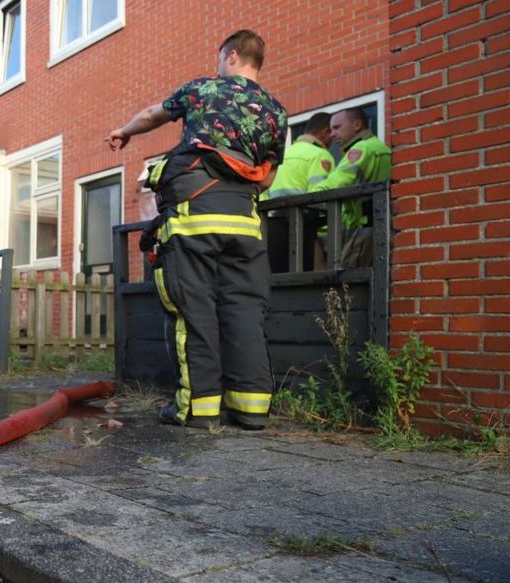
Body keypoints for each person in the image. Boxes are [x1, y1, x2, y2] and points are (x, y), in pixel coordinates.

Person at [104, 29, 287, 430]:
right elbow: (268, 179)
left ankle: (199, 410)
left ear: (232, 55)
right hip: (245, 224)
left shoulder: (204, 89)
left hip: (193, 219)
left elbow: (155, 114)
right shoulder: (277, 111)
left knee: (195, 310)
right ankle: (252, 409)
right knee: (244, 312)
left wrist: (124, 131)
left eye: (220, 58)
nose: (218, 65)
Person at [308, 107, 392, 268]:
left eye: (337, 128)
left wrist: (307, 197)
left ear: (357, 125)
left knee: (347, 283)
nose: (332, 134)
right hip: (376, 228)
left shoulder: (362, 149)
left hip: (363, 230)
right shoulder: (378, 147)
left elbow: (336, 184)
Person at [260, 112, 333, 272]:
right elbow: (320, 197)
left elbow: (264, 191)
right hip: (304, 230)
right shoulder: (320, 155)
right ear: (325, 132)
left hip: (272, 227)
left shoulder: (285, 155)